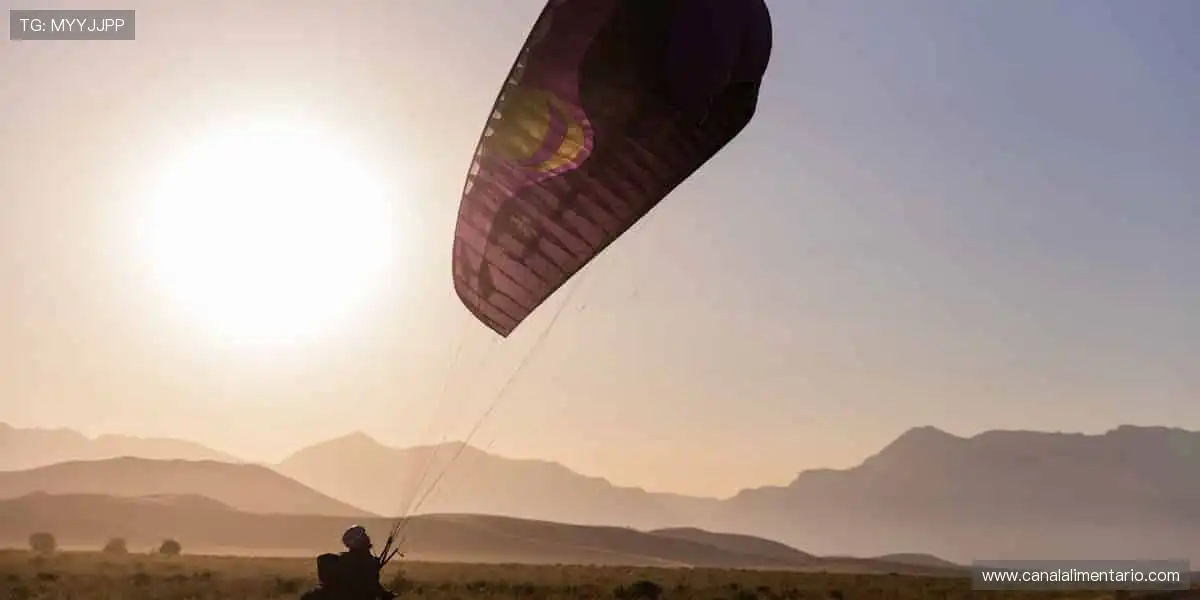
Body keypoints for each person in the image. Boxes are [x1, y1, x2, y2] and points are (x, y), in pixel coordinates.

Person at [338, 525, 395, 600]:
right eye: (364, 536)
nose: (367, 537)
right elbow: (370, 583)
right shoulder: (364, 560)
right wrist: (385, 594)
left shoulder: (344, 558)